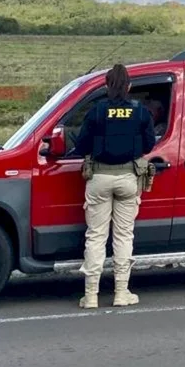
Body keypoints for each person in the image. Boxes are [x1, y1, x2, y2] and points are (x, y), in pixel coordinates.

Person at [72, 63, 156, 308]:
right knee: (123, 235)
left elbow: (82, 145)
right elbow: (149, 145)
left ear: (107, 85)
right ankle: (121, 293)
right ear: (128, 86)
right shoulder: (140, 112)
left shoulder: (97, 111)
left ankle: (90, 296)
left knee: (96, 236)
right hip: (128, 179)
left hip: (99, 178)